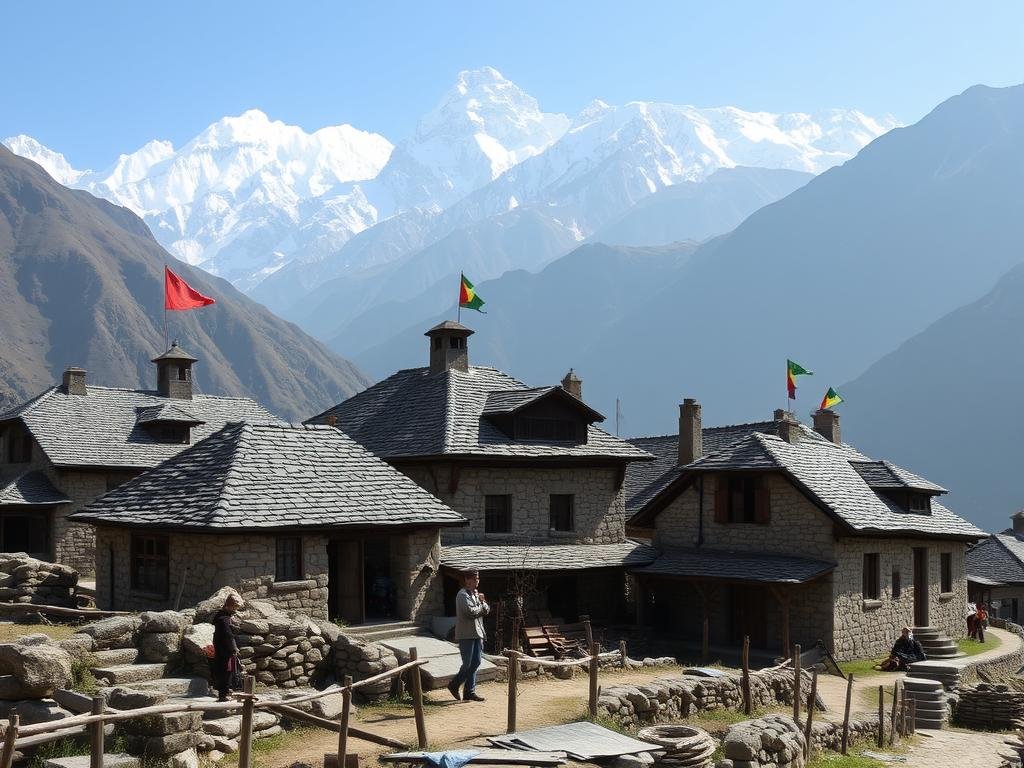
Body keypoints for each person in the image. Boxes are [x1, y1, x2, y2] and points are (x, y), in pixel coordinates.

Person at [447, 569, 489, 702]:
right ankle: (454, 684)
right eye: (475, 579)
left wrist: (482, 603)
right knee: (467, 664)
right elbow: (470, 612)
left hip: (477, 633)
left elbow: (487, 609)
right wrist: (482, 608)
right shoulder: (462, 595)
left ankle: (469, 692)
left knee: (476, 662)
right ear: (468, 580)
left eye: (478, 579)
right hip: (466, 634)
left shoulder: (476, 594)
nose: (478, 581)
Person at [212, 592, 244, 701]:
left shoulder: (224, 617)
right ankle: (223, 695)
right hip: (224, 650)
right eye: (234, 607)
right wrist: (234, 648)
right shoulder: (223, 619)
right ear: (229, 605)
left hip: (224, 648)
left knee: (226, 671)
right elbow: (228, 635)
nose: (235, 610)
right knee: (225, 671)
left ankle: (225, 692)